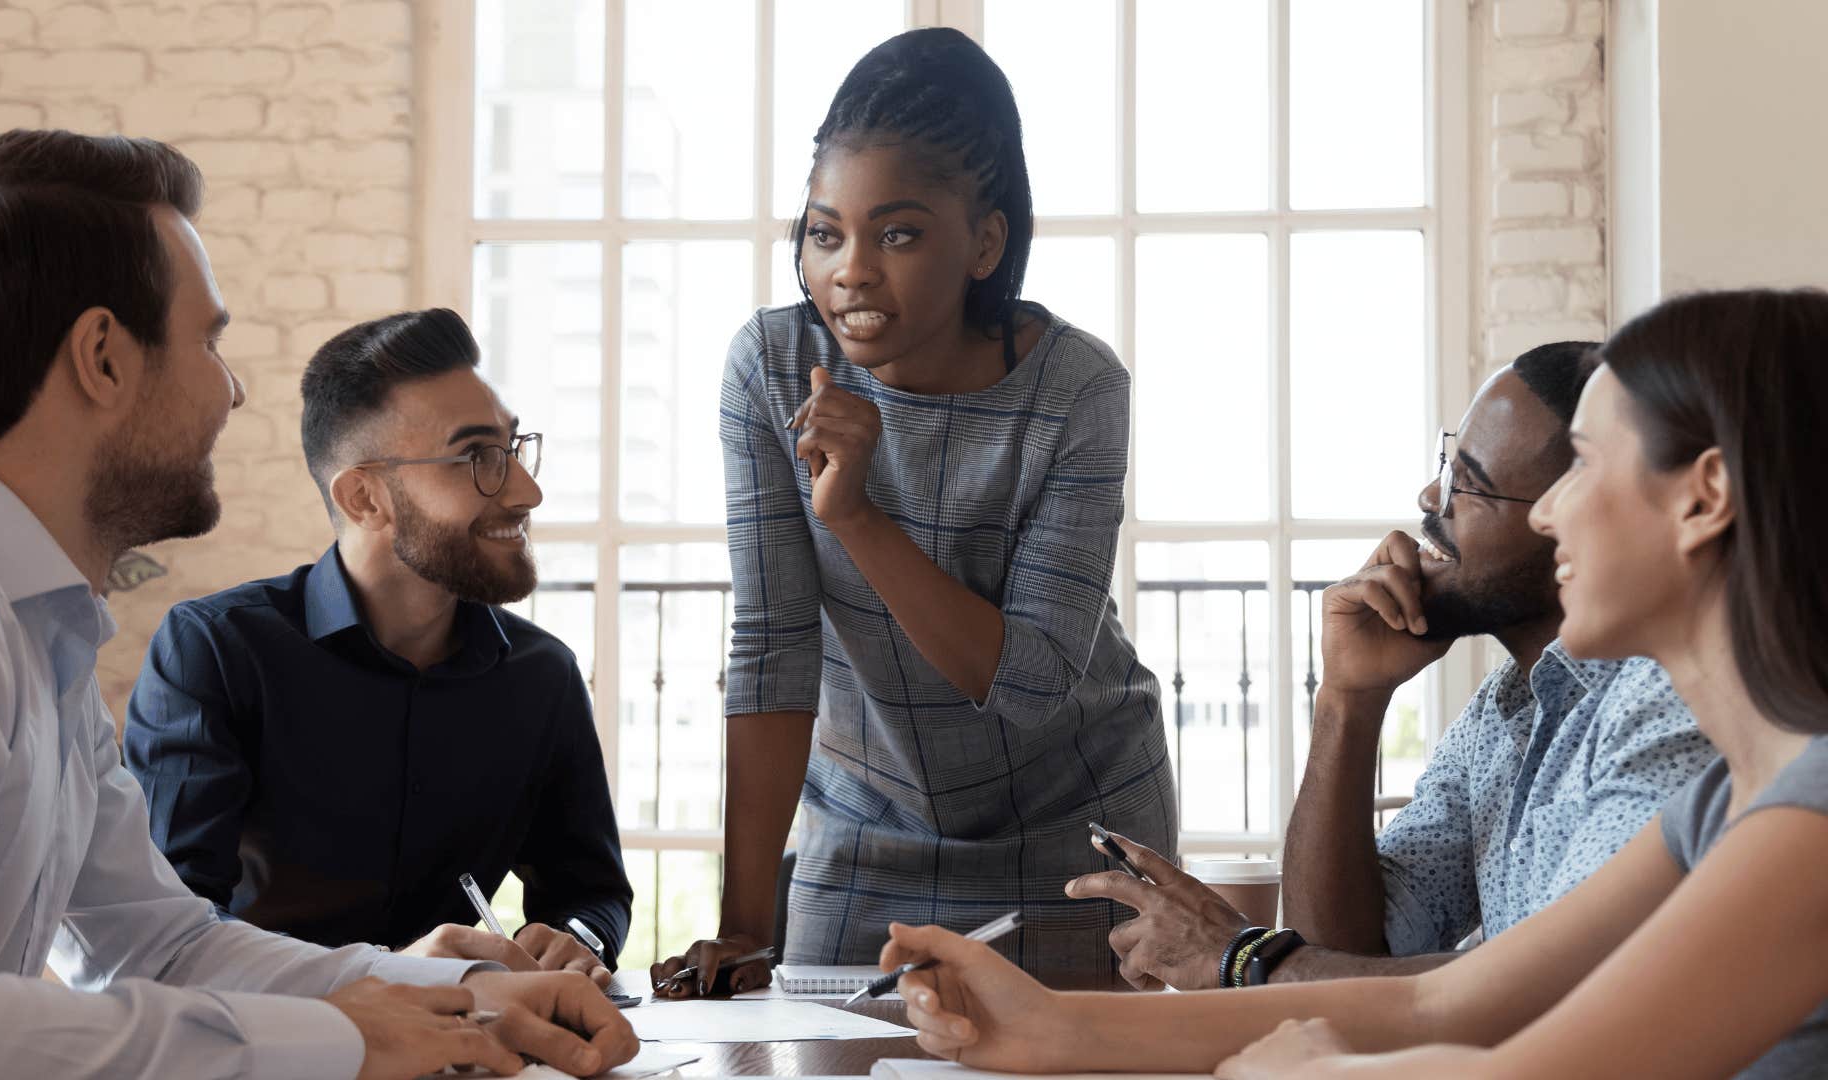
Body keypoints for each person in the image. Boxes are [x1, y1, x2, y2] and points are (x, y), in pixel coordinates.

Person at [881, 288, 1828, 1079]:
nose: (1548, 510)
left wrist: (1313, 1064)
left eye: (1581, 465)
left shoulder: (1812, 817)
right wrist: (1042, 1025)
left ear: (1704, 497)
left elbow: (1526, 1066)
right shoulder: (1723, 804)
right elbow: (1436, 999)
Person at [0, 130, 636, 1079]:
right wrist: (350, 1039)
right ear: (104, 358)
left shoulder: (34, 624)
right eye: (208, 340)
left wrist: (454, 997)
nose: (233, 388)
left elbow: (158, 946)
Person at [652, 27, 1176, 994]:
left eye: (897, 233)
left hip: (1079, 821)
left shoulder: (1076, 387)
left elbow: (1027, 682)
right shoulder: (767, 369)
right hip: (865, 823)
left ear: (985, 241)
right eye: (824, 232)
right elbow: (772, 641)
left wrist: (856, 518)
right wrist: (741, 925)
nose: (851, 268)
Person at [1070, 343, 1712, 990]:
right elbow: (1348, 957)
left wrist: (1241, 956)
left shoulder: (1673, 703)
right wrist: (1349, 699)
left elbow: (1560, 993)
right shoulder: (1508, 706)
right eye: (1446, 465)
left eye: (1472, 484)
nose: (1432, 495)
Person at [123, 308, 632, 982]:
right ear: (365, 498)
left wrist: (577, 940)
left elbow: (591, 892)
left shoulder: (543, 676)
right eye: (477, 456)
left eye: (512, 448)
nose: (526, 490)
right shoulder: (216, 653)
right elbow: (171, 926)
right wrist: (382, 974)